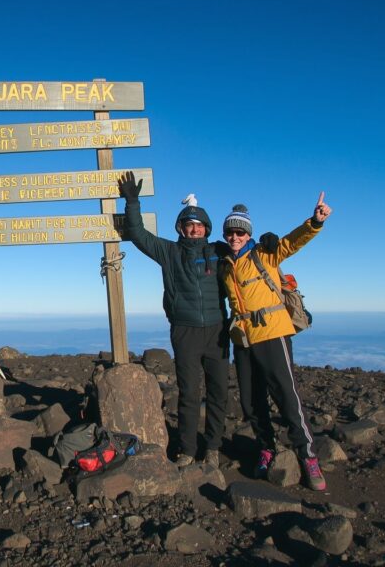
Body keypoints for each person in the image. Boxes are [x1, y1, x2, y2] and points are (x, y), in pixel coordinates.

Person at [219, 195, 332, 491]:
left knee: (286, 396)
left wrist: (315, 221)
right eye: (230, 232)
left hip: (272, 333)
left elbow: (292, 243)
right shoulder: (225, 264)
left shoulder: (266, 253)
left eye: (240, 232)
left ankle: (308, 457)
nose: (234, 237)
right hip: (243, 340)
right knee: (251, 400)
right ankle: (266, 447)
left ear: (249, 234)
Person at [117, 171, 228, 468]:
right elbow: (138, 235)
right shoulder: (170, 252)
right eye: (189, 226)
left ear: (206, 228)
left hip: (218, 331)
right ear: (180, 228)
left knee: (218, 392)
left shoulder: (219, 251)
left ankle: (213, 447)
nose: (194, 230)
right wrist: (132, 202)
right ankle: (188, 449)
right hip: (185, 331)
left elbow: (243, 245)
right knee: (190, 393)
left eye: (199, 226)